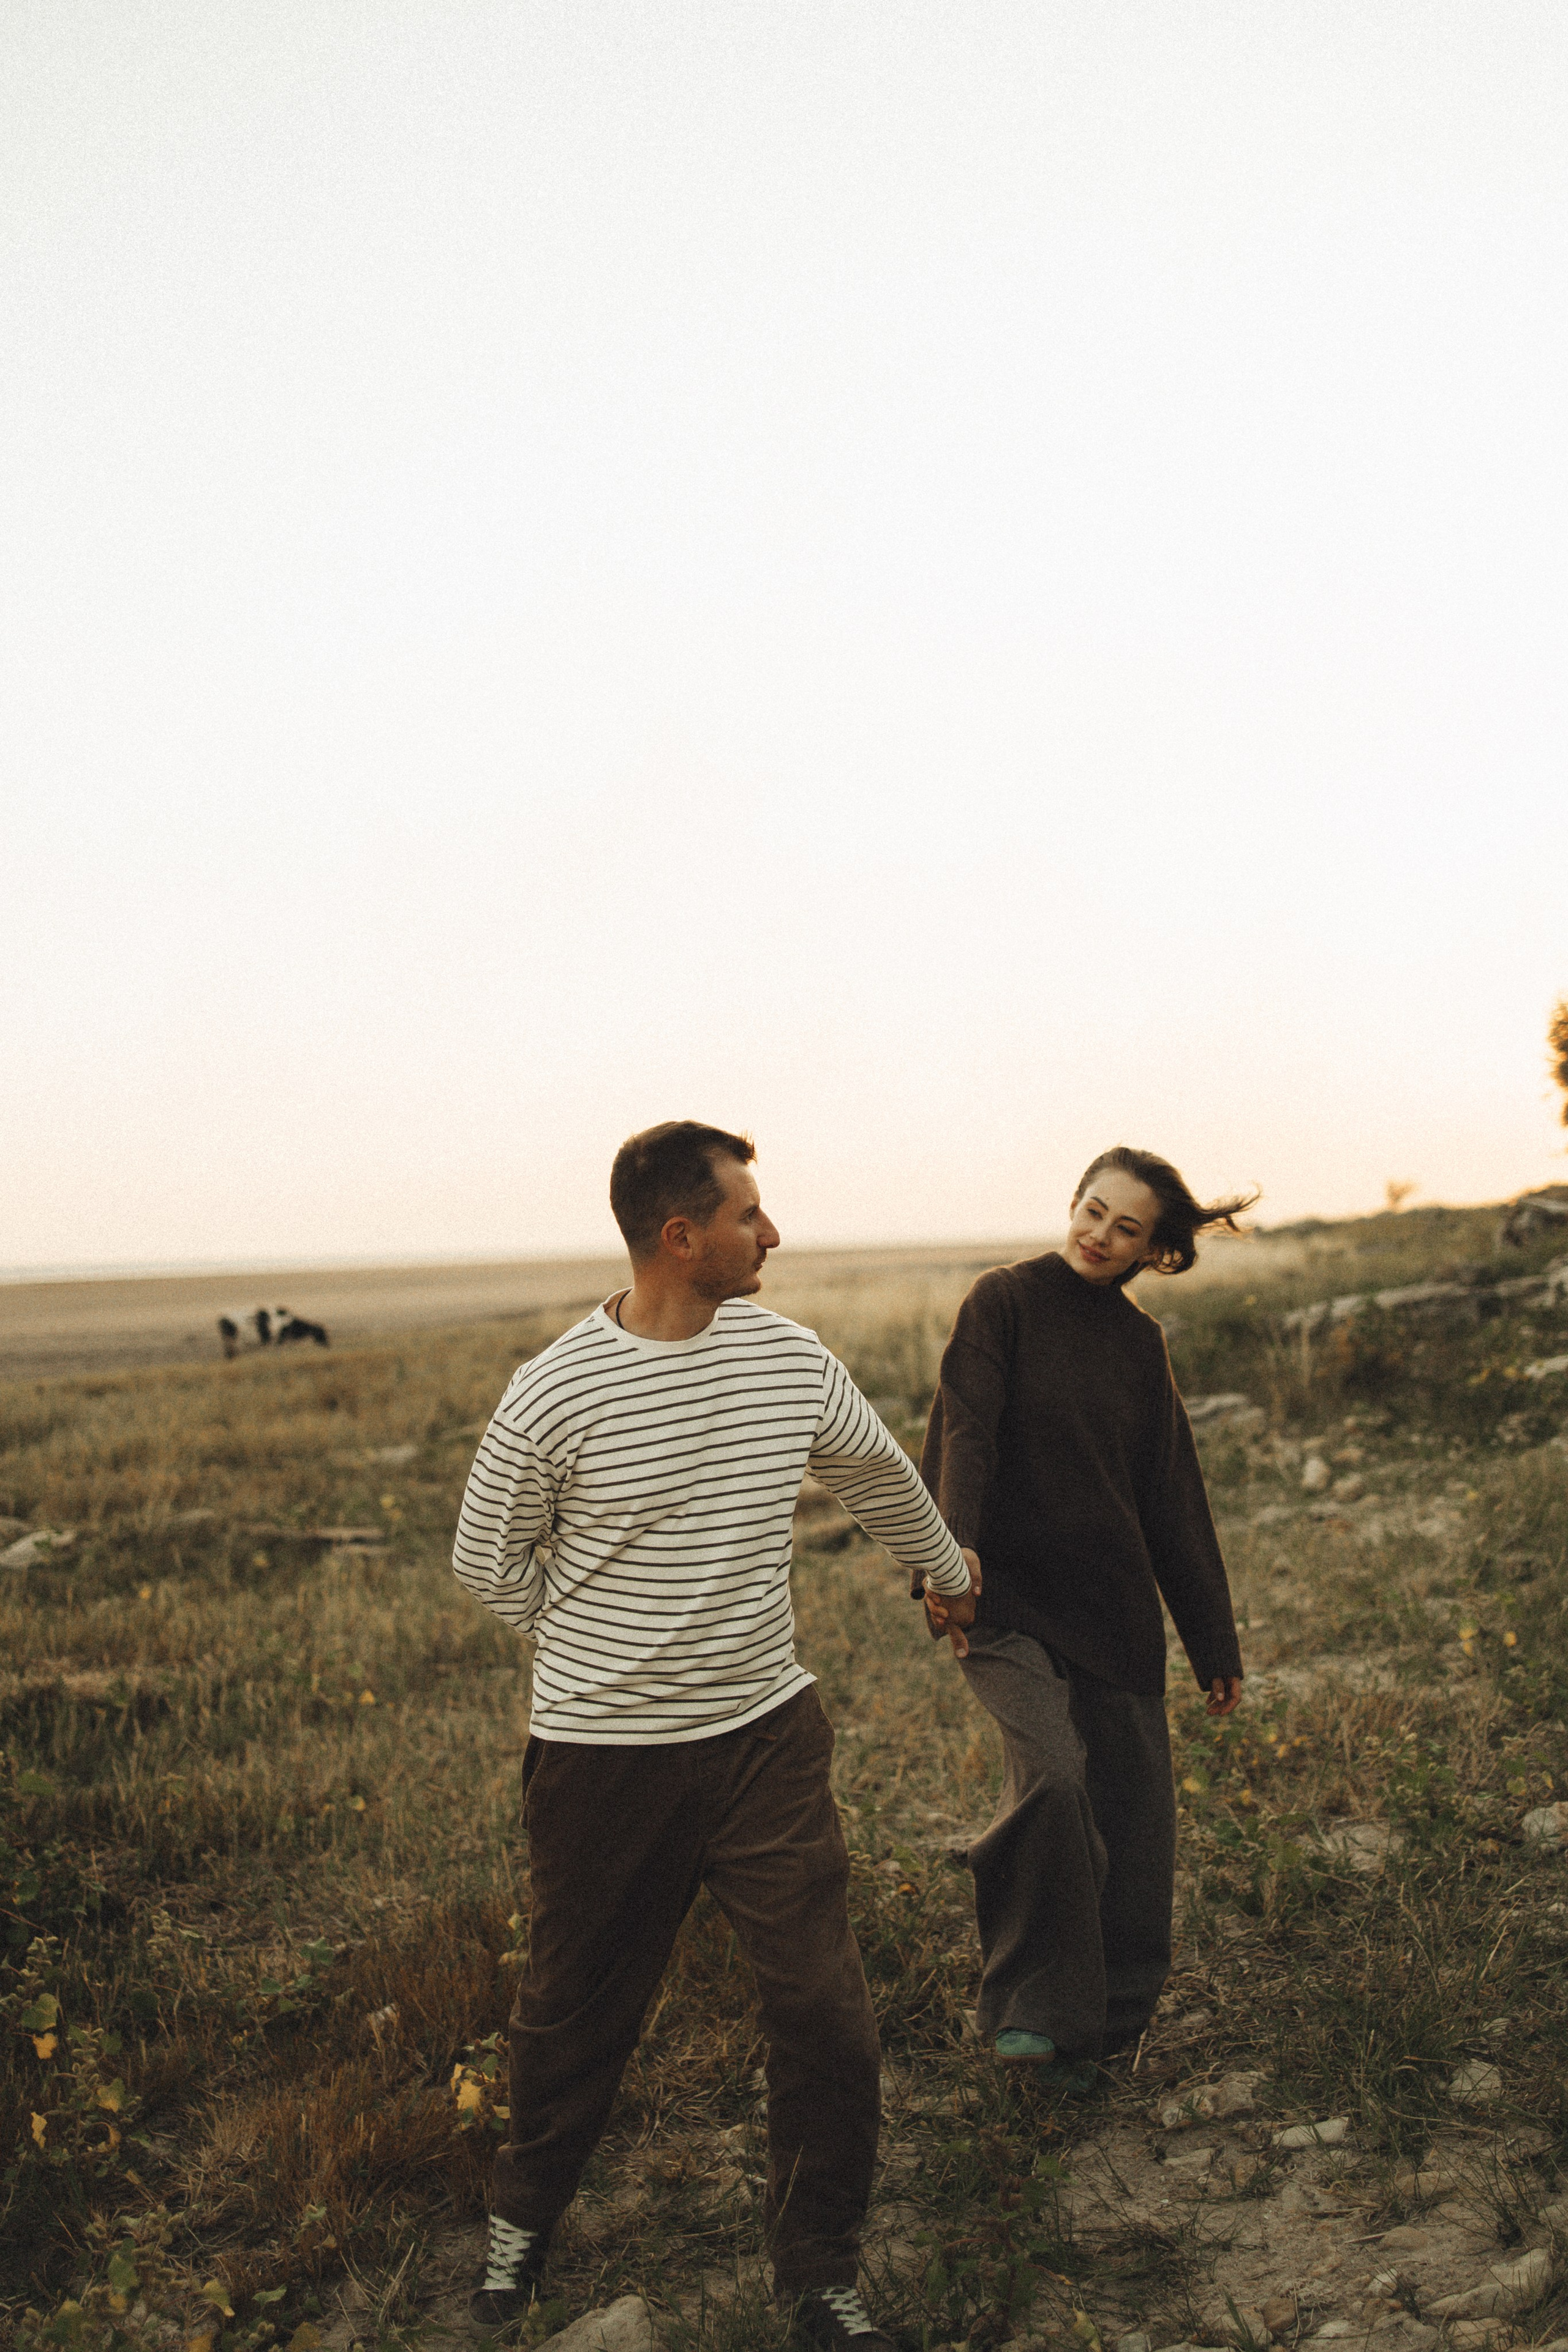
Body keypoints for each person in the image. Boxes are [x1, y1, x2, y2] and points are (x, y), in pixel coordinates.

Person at [451, 1121, 979, 2351]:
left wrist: (948, 1570)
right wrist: (593, 1648)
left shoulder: (785, 1358)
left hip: (762, 1743)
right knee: (574, 2010)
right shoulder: (556, 1390)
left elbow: (875, 1473)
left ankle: (817, 2279)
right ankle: (519, 2228)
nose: (772, 1232)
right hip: (599, 1765)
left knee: (824, 2011)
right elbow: (486, 1563)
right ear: (677, 1236)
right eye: (749, 1213)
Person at [918, 1145, 1253, 2081]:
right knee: (1056, 1780)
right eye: (1093, 1211)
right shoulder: (1004, 1302)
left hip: (1111, 1605)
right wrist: (954, 1555)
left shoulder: (1142, 1347)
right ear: (1072, 1202)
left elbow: (1170, 1499)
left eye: (1127, 1228)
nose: (1099, 1236)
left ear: (1157, 1251)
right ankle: (1031, 2008)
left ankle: (1110, 2019)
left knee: (1137, 1815)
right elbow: (968, 1430)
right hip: (1003, 1599)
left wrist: (1210, 1638)